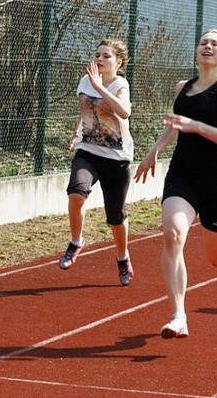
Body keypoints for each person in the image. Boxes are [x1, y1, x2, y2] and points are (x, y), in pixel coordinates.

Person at [134, 29, 217, 338]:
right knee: (172, 235)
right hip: (182, 176)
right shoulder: (182, 88)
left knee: (216, 259)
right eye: (203, 42)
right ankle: (178, 314)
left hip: (215, 180)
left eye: (215, 44)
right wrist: (154, 150)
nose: (207, 46)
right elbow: (175, 127)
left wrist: (197, 126)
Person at [59, 38, 135, 287]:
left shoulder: (120, 84)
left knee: (116, 216)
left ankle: (123, 258)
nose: (99, 59)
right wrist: (76, 132)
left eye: (106, 56)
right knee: (76, 193)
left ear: (118, 62)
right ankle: (76, 242)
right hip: (88, 152)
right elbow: (87, 111)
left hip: (116, 158)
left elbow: (124, 112)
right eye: (98, 55)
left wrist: (99, 86)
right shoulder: (85, 81)